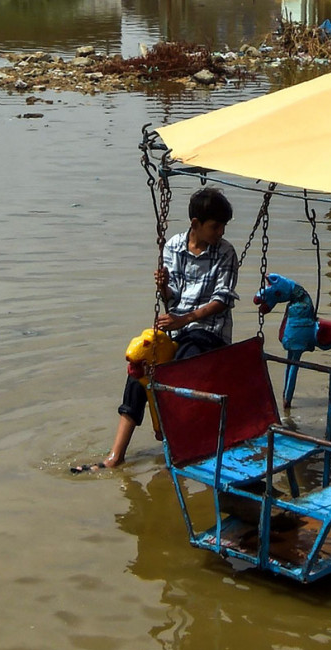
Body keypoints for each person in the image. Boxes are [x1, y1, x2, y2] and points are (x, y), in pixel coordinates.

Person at [72, 187, 239, 472]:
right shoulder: (173, 246)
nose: (220, 231)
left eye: (223, 226)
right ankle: (116, 456)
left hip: (208, 332)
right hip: (177, 329)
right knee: (140, 368)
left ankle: (178, 444)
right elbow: (171, 298)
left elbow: (222, 300)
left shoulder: (225, 252)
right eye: (215, 226)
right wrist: (163, 285)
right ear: (195, 224)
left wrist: (183, 320)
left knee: (179, 363)